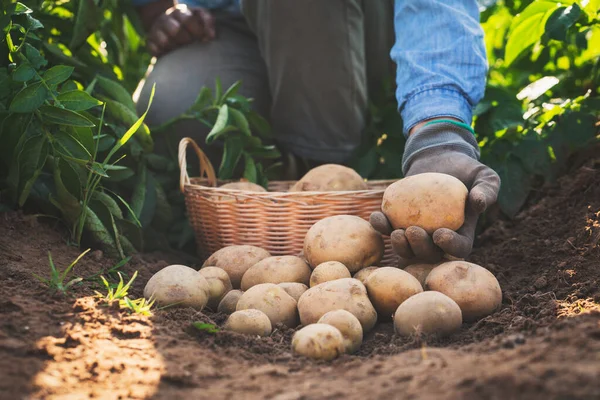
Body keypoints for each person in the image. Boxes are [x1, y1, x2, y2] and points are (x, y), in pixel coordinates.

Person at [133, 0, 500, 263]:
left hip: (366, 25)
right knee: (171, 108)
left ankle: (325, 162)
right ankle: (287, 172)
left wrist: (436, 130)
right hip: (225, 22)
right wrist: (161, 9)